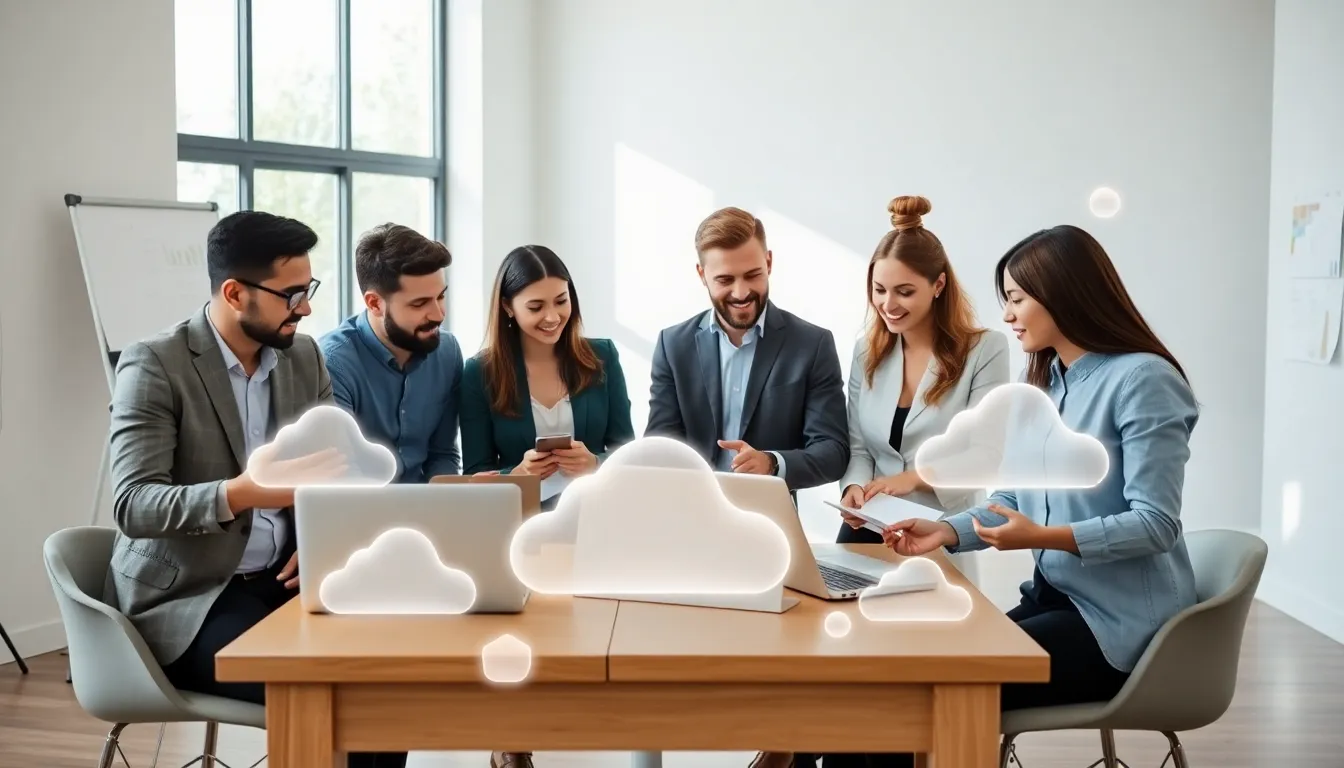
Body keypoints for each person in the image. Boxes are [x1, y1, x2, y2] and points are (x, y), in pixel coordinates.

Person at [811, 224, 1201, 768]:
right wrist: (945, 530)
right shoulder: (1048, 383)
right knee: (892, 678)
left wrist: (1043, 538)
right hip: (1055, 599)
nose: (1009, 315)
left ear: (1063, 294)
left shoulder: (1143, 379)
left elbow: (1156, 522)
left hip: (1116, 626)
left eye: (1016, 299)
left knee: (911, 700)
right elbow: (1014, 497)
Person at [103, 211, 407, 768]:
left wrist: (317, 546)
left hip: (281, 579)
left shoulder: (304, 357)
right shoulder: (155, 365)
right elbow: (132, 504)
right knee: (328, 691)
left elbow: (334, 477)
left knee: (386, 683)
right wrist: (244, 492)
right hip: (188, 598)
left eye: (308, 290)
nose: (307, 307)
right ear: (235, 292)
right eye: (292, 294)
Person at [833, 196, 1009, 582]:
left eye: (904, 291)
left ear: (938, 285)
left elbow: (986, 455)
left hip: (939, 529)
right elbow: (859, 445)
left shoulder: (985, 350)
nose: (887, 304)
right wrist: (854, 491)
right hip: (868, 525)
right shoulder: (867, 349)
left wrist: (910, 479)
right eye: (879, 289)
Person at [645, 206, 848, 490]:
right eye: (725, 280)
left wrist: (772, 463)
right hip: (688, 514)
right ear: (702, 275)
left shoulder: (812, 345)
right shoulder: (673, 345)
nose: (741, 293)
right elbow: (659, 448)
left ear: (769, 263)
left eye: (753, 275)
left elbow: (833, 452)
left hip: (769, 520)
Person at [319, 223, 463, 483]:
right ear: (374, 303)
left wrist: (445, 504)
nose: (439, 314)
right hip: (361, 511)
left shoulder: (447, 352)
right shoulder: (333, 363)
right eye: (419, 304)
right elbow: (341, 473)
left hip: (428, 511)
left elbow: (443, 454)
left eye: (441, 297)